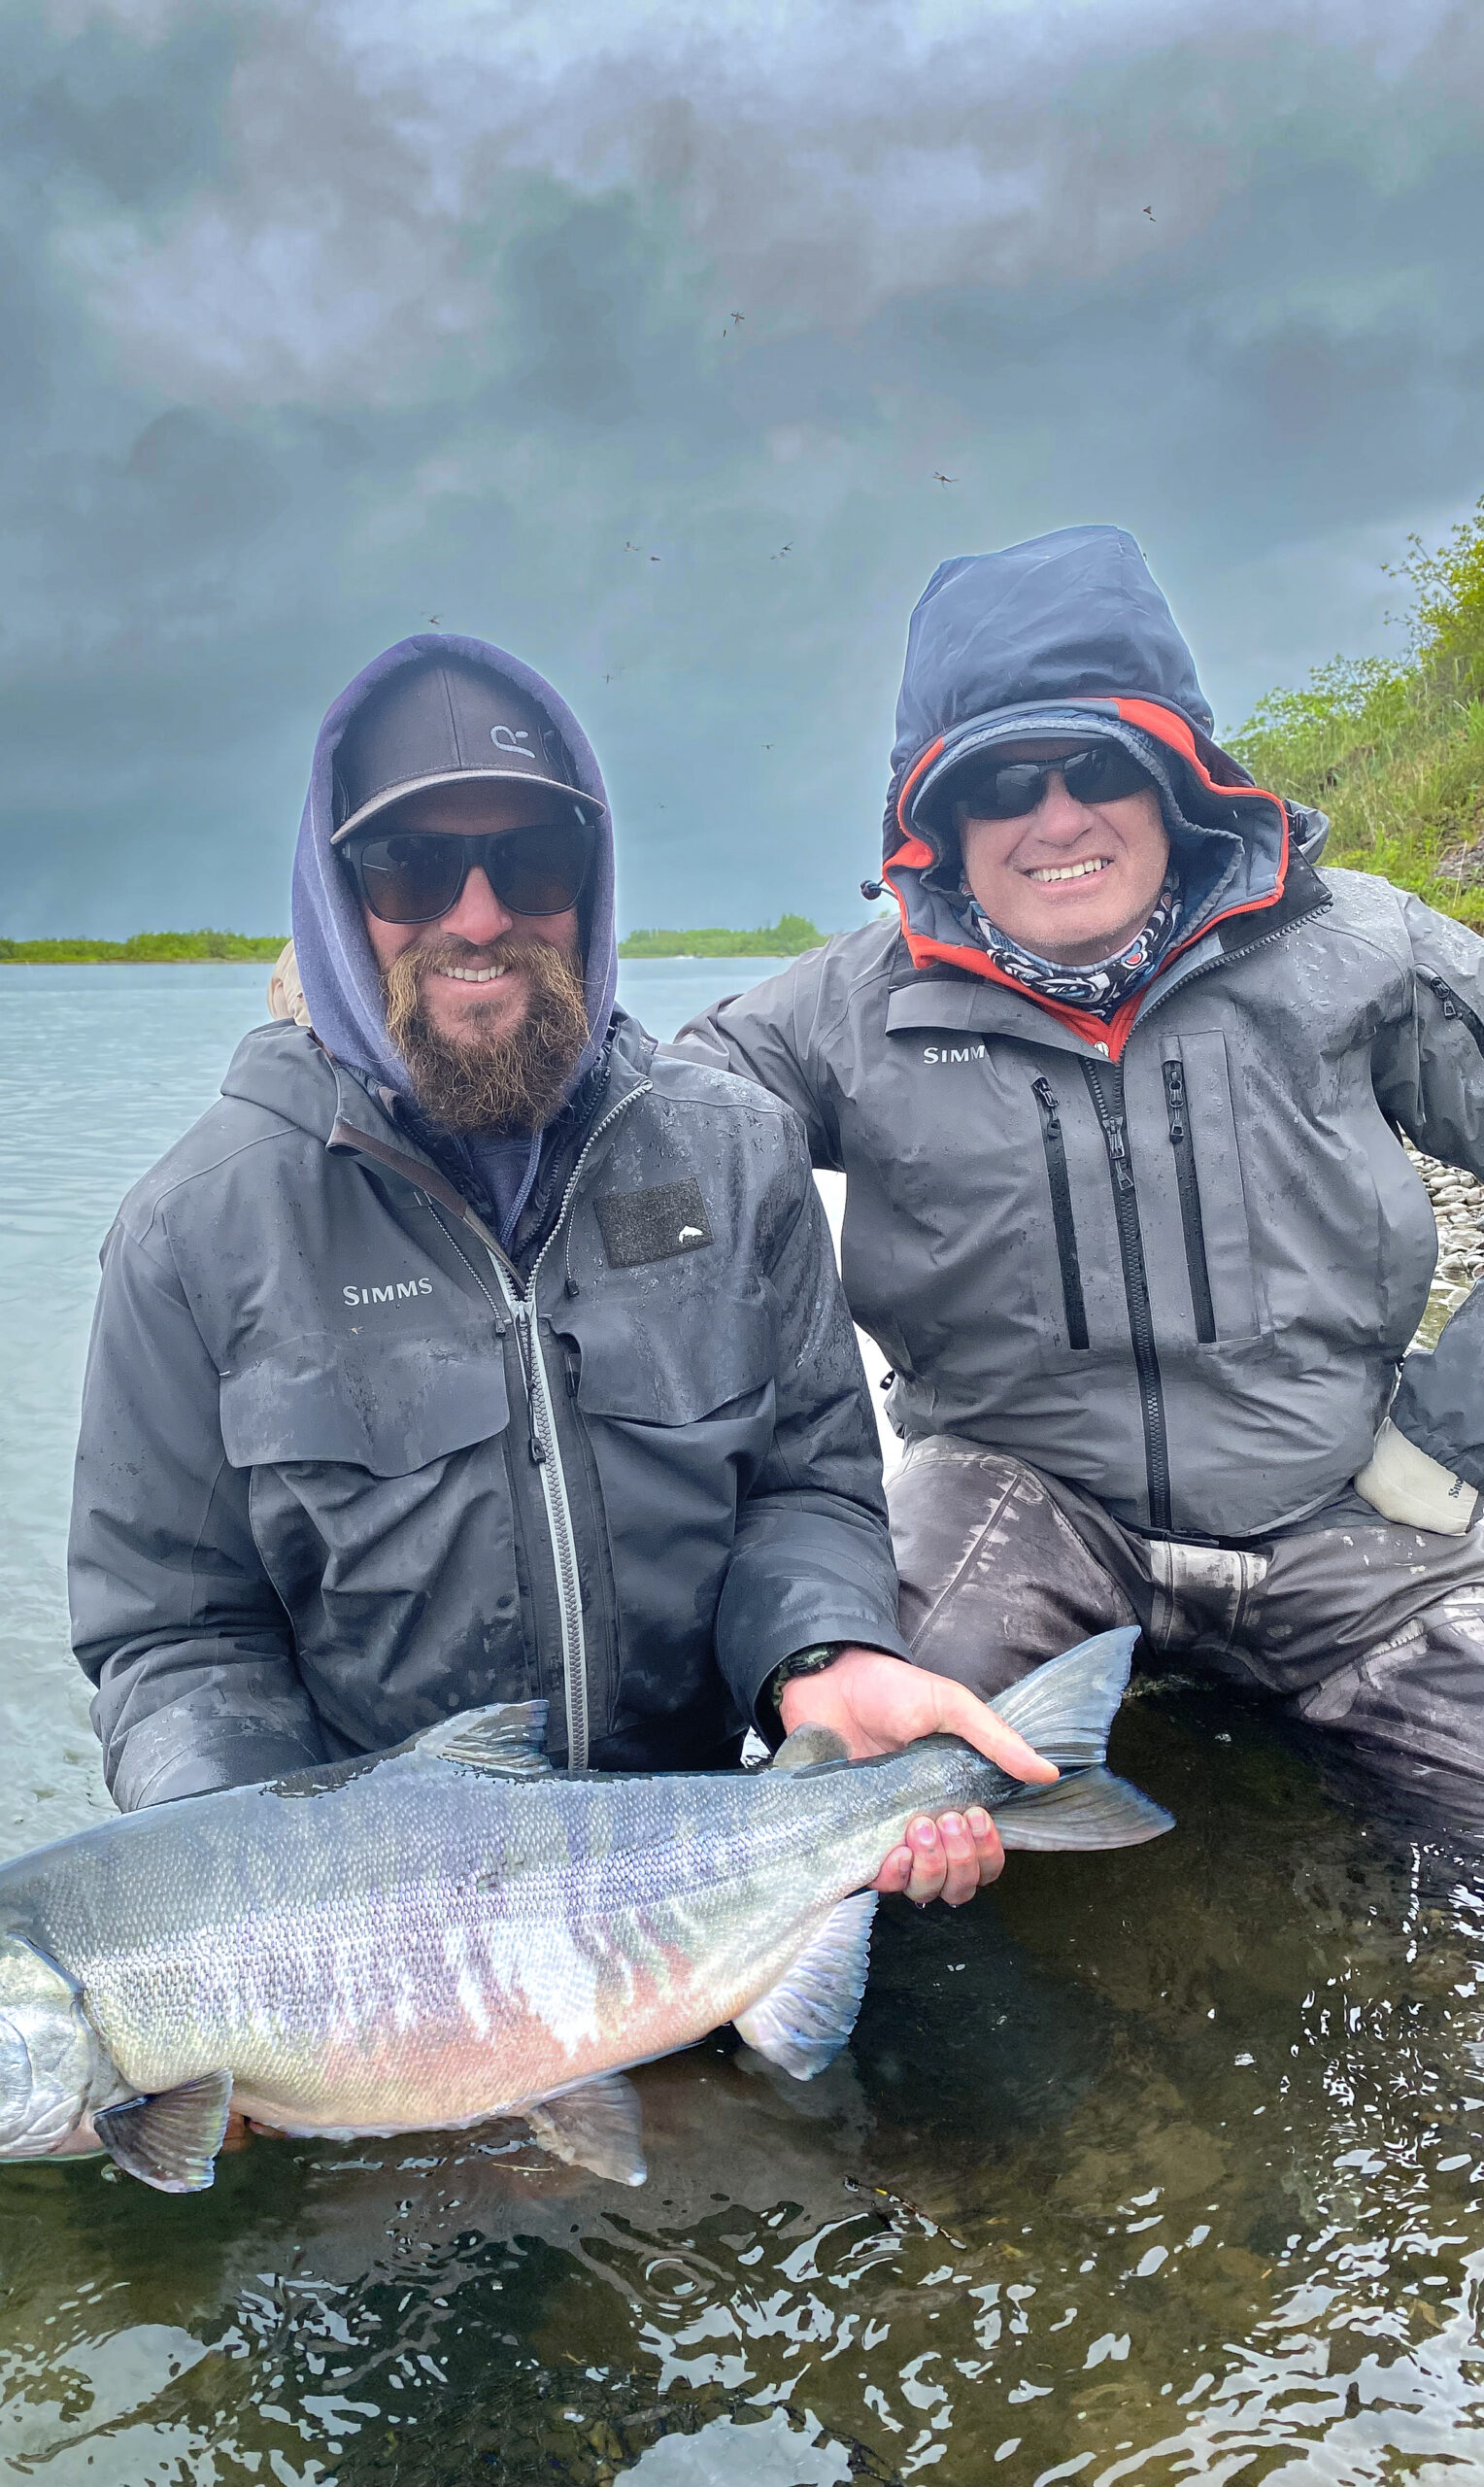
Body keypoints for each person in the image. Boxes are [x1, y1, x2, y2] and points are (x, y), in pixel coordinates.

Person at [68, 634, 1049, 1912]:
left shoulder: (739, 1155)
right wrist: (234, 1909)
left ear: (590, 886)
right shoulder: (190, 1232)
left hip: (703, 1875)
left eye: (531, 860)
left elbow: (811, 1487)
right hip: (379, 1922)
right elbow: (175, 1636)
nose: (478, 915)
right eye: (412, 866)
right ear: (334, 892)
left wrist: (825, 1652)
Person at [676, 524, 1484, 1819]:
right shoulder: (839, 1014)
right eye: (1000, 783)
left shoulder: (1365, 949)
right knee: (851, 1820)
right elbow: (622, 1152)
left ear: (1178, 776)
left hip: (1351, 1502)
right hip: (1013, 1511)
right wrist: (403, 1028)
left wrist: (1457, 1427)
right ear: (936, 816)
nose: (1056, 818)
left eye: (1099, 762)